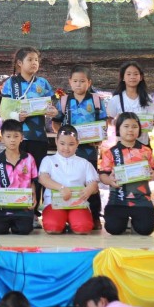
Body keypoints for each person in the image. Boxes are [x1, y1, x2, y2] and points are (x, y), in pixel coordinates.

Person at [0, 47, 58, 225]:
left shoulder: (43, 83)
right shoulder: (11, 83)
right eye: (30, 60)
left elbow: (51, 106)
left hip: (38, 137)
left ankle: (33, 212)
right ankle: (13, 208)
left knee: (36, 174)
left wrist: (53, 111)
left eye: (36, 60)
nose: (34, 63)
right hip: (16, 138)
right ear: (19, 63)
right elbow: (4, 111)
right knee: (16, 172)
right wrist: (16, 116)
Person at [53, 65, 107, 229]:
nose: (78, 84)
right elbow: (56, 123)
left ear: (89, 82)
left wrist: (99, 138)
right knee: (68, 178)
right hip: (68, 151)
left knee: (91, 181)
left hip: (89, 149)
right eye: (75, 81)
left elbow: (103, 123)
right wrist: (63, 139)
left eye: (82, 81)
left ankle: (95, 216)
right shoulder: (64, 101)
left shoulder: (96, 100)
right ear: (70, 82)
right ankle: (67, 213)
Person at [99, 113, 154, 236]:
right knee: (114, 229)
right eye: (126, 126)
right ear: (118, 129)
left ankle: (135, 221)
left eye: (134, 126)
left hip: (142, 199)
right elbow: (103, 175)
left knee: (145, 230)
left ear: (139, 129)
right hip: (118, 199)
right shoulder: (110, 152)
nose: (130, 130)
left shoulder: (146, 150)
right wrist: (110, 181)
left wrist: (153, 174)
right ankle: (124, 220)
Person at [38, 125, 99, 235]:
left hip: (78, 204)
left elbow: (94, 184)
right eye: (62, 144)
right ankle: (62, 222)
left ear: (77, 143)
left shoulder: (84, 163)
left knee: (83, 228)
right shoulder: (48, 160)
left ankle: (72, 221)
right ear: (56, 141)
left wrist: (89, 189)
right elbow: (43, 179)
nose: (66, 148)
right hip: (54, 204)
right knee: (53, 227)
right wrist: (61, 188)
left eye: (71, 144)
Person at [0, 119, 38, 235]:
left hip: (23, 206)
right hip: (2, 207)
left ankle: (18, 223)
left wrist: (34, 196)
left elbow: (33, 180)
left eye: (16, 136)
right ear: (2, 139)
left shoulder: (29, 158)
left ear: (22, 138)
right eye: (8, 136)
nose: (12, 140)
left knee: (24, 230)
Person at [105, 61, 154, 145]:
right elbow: (108, 120)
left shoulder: (147, 98)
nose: (132, 77)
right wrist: (115, 122)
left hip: (142, 144)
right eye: (128, 74)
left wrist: (152, 123)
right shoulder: (116, 100)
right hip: (122, 144)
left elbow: (152, 119)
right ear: (123, 77)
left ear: (141, 77)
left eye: (136, 74)